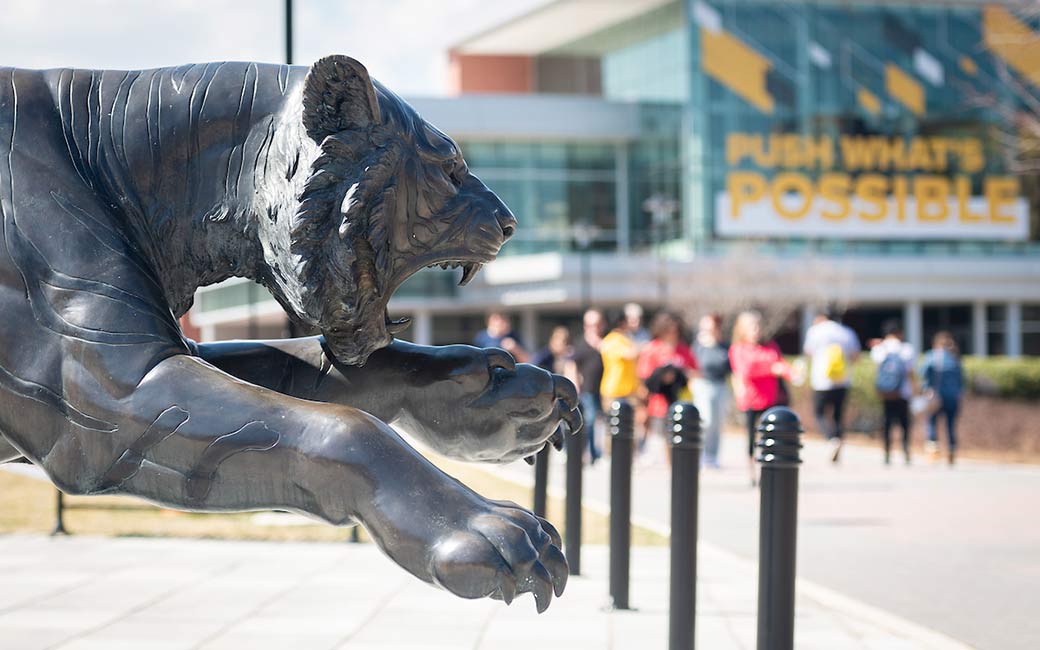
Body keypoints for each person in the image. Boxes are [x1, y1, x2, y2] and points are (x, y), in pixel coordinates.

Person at [729, 311, 791, 486]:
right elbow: (745, 370)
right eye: (752, 327)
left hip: (770, 397)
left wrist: (790, 372)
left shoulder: (770, 346)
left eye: (758, 326)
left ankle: (768, 468)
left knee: (769, 436)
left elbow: (782, 365)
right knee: (751, 436)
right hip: (750, 399)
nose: (756, 330)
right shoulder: (738, 349)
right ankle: (752, 471)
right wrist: (770, 368)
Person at [803, 309, 861, 463]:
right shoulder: (846, 332)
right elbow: (855, 356)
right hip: (843, 379)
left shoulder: (816, 331)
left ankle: (831, 439)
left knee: (820, 413)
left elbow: (808, 352)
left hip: (821, 379)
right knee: (838, 415)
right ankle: (838, 443)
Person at [637, 312, 698, 454]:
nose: (672, 335)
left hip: (680, 398)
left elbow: (695, 370)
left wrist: (683, 374)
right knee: (659, 436)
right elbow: (644, 376)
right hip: (657, 401)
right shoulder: (652, 349)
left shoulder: (683, 349)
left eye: (675, 332)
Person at [870, 319, 915, 465]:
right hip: (903, 392)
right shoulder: (906, 349)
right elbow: (910, 372)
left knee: (887, 423)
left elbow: (876, 372)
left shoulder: (879, 349)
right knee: (904, 424)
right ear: (899, 333)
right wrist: (915, 389)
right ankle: (906, 451)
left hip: (886, 393)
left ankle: (887, 453)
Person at [920, 331, 964, 465]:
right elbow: (962, 381)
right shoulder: (955, 358)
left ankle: (933, 452)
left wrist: (925, 389)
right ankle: (951, 451)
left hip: (936, 396)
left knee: (932, 422)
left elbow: (922, 373)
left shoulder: (931, 356)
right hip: (953, 397)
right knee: (951, 425)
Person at [693, 314, 730, 468]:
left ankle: (712, 456)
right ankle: (700, 453)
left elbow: (730, 366)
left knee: (716, 423)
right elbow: (693, 364)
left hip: (720, 385)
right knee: (705, 420)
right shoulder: (698, 345)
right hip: (703, 385)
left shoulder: (723, 346)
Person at [572, 309, 606, 463]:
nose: (595, 328)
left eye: (597, 324)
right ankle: (592, 454)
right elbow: (572, 364)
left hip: (607, 390)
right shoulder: (580, 344)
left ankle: (603, 453)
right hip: (588, 390)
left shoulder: (608, 342)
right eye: (591, 325)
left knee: (608, 423)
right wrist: (574, 385)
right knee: (590, 421)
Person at [599, 311, 642, 425]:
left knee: (629, 428)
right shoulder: (613, 340)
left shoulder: (623, 339)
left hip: (629, 390)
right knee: (615, 428)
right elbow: (630, 354)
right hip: (614, 391)